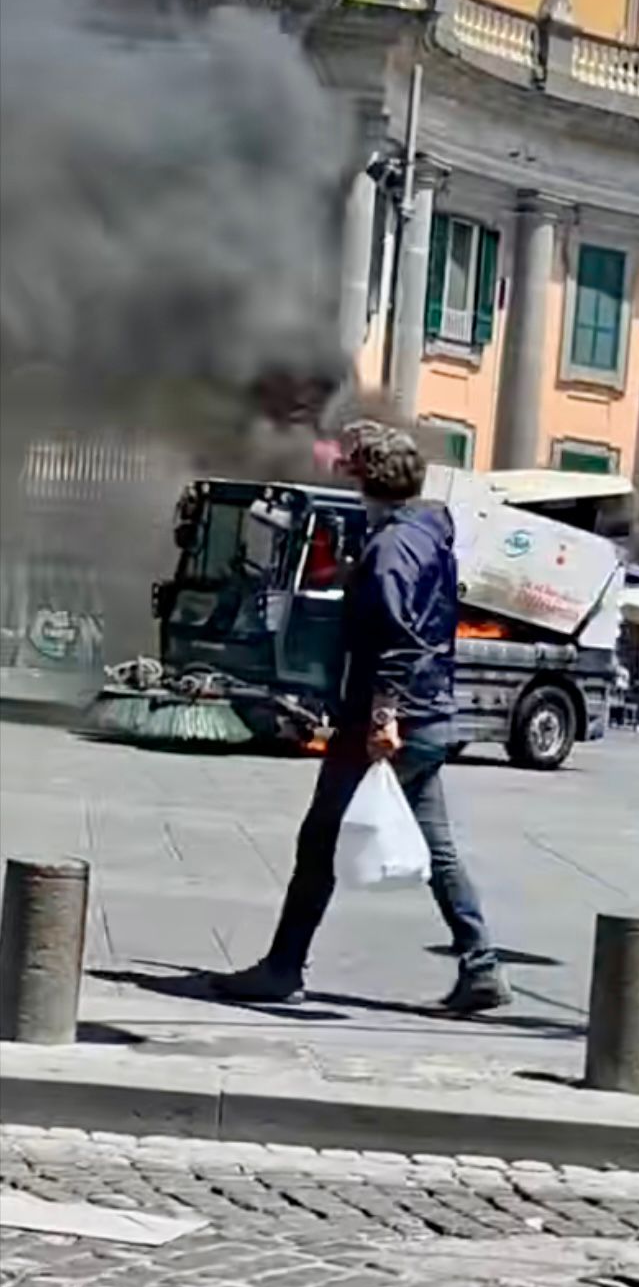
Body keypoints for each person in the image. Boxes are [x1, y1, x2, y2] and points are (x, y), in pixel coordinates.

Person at [209, 423, 510, 1013]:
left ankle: (282, 968)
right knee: (439, 851)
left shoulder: (395, 546)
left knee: (318, 841)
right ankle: (482, 966)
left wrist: (382, 715)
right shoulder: (424, 535)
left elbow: (397, 636)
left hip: (392, 722)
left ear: (369, 482)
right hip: (427, 717)